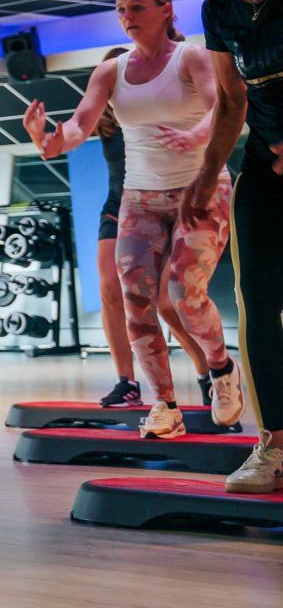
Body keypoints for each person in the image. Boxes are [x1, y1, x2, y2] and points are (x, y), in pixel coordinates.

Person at [25, 0, 241, 439]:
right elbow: (79, 127)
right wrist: (46, 138)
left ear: (165, 11)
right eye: (121, 9)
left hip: (200, 189)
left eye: (137, 7)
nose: (127, 16)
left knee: (185, 293)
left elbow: (218, 107)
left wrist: (196, 136)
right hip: (140, 196)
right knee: (137, 301)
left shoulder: (192, 58)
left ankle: (222, 371)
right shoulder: (110, 72)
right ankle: (164, 404)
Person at [184, 0, 283, 493]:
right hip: (262, 173)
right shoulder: (220, 8)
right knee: (256, 304)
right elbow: (230, 102)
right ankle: (272, 445)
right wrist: (205, 174)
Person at [86, 46, 213, 409]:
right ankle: (126, 382)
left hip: (165, 206)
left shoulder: (161, 113)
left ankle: (207, 372)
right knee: (111, 289)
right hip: (118, 206)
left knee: (165, 302)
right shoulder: (107, 121)